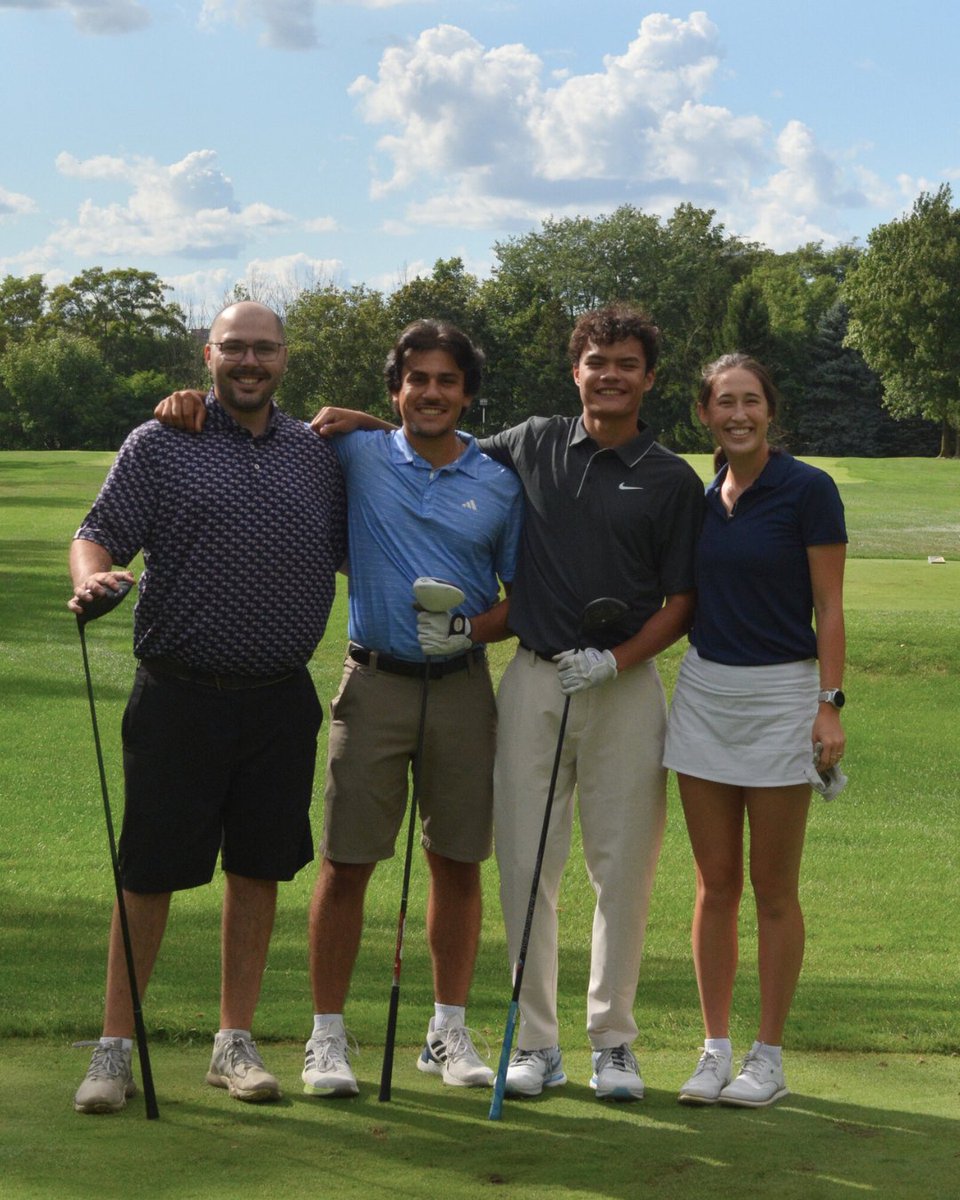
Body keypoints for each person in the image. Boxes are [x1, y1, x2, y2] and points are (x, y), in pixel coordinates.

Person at [155, 319, 524, 1098]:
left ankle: (448, 1030)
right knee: (347, 862)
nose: (431, 393)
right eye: (416, 380)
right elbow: (261, 420)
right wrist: (187, 400)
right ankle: (326, 1039)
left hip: (462, 687)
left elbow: (519, 600)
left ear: (468, 394)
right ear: (395, 390)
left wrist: (468, 630)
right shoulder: (354, 452)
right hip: (374, 683)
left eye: (447, 381)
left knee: (458, 861)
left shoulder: (498, 480)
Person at [68, 301, 347, 1114]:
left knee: (258, 869)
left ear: (285, 358)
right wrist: (91, 576)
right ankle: (115, 1047)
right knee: (148, 873)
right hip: (179, 695)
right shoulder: (160, 443)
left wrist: (365, 422)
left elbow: (403, 453)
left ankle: (234, 1043)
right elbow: (97, 532)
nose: (249, 361)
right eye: (235, 348)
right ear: (209, 355)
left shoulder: (317, 454)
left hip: (278, 698)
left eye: (264, 349)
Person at [477, 305, 705, 1102]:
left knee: (623, 869)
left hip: (625, 687)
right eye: (597, 361)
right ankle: (536, 1043)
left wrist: (615, 661)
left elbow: (682, 602)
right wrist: (358, 424)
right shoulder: (535, 440)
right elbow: (436, 446)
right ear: (575, 370)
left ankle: (613, 1043)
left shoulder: (672, 479)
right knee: (524, 865)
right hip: (535, 679)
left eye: (626, 363)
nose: (610, 375)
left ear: (649, 378)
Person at [663, 353, 847, 1109]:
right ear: (705, 415)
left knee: (774, 889)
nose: (737, 414)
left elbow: (829, 606)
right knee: (714, 886)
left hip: (782, 698)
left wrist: (830, 703)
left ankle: (767, 1057)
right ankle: (715, 1050)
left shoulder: (808, 489)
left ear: (770, 410)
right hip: (705, 693)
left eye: (750, 401)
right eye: (724, 402)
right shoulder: (703, 497)